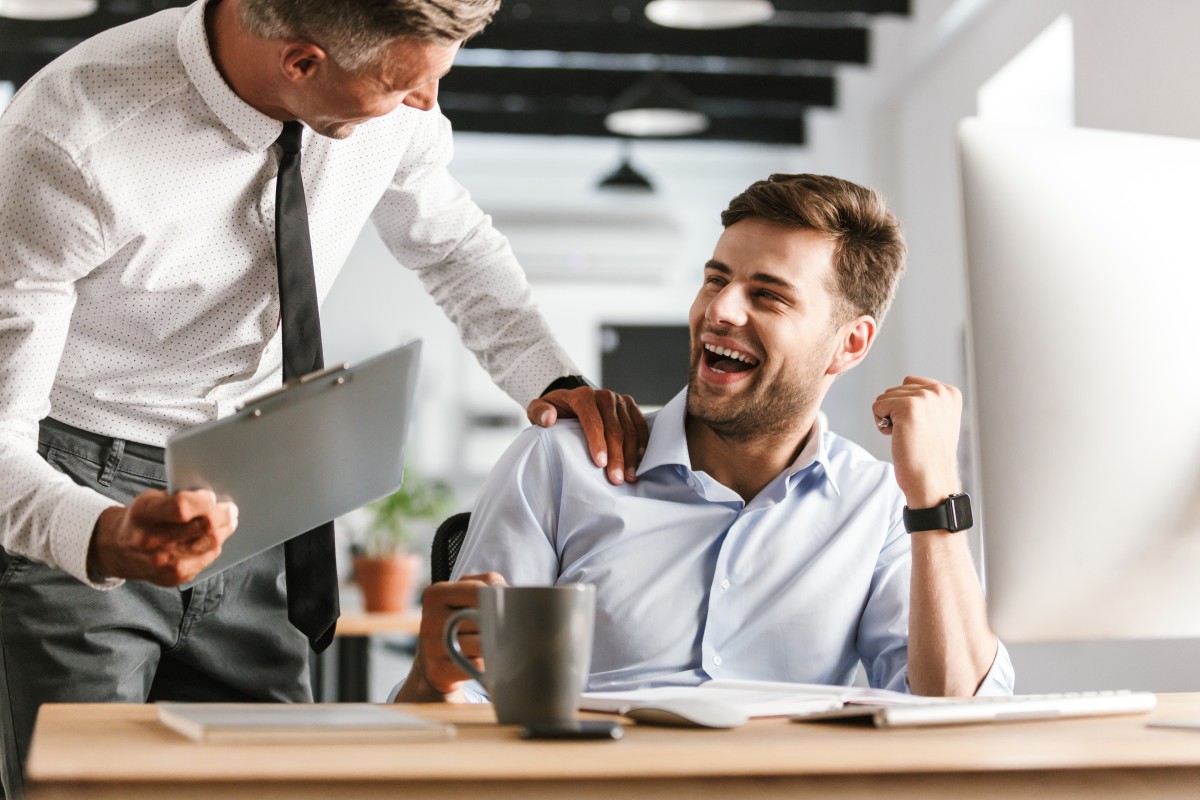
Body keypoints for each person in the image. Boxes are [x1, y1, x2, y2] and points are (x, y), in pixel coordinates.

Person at [0, 0, 644, 795]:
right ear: (302, 62)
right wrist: (98, 534)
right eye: (402, 86)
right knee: (86, 786)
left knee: (280, 782)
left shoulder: (393, 97)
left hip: (256, 482)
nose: (427, 107)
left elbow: (452, 244)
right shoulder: (70, 138)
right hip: (79, 481)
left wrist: (555, 382)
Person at [398, 173, 1015, 704]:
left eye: (767, 295)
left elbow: (954, 715)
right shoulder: (562, 462)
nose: (721, 310)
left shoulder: (880, 505)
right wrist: (433, 676)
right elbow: (460, 697)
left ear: (849, 343)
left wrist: (936, 496)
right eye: (716, 280)